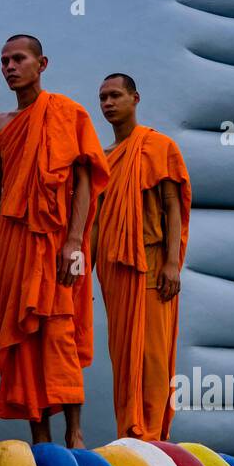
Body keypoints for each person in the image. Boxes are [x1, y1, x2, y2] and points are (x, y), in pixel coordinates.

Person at [0, 35, 108, 448]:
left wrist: (74, 242)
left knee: (58, 330)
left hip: (57, 240)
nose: (10, 67)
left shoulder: (68, 113)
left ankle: (75, 432)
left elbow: (84, 183)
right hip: (13, 241)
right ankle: (39, 436)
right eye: (3, 61)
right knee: (20, 334)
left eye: (18, 59)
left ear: (42, 63)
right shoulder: (0, 125)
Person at [91, 72, 191, 441]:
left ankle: (152, 434)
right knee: (123, 358)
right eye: (102, 98)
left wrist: (171, 263)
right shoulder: (104, 159)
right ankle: (130, 432)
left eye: (115, 96)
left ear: (135, 98)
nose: (108, 104)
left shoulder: (156, 146)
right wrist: (85, 267)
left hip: (150, 264)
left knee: (151, 355)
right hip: (115, 272)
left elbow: (171, 205)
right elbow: (98, 220)